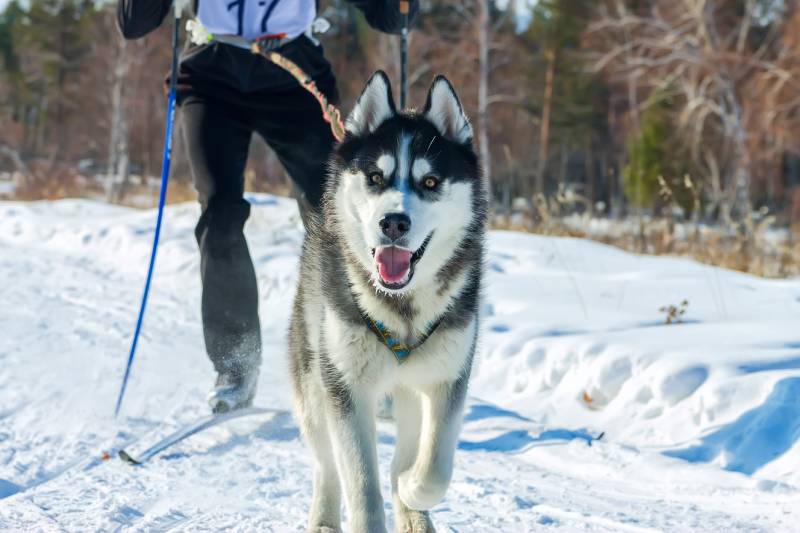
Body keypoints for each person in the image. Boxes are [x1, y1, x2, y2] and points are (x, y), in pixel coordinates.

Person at [117, 0, 416, 413]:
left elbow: (391, 18)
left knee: (332, 216)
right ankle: (235, 364)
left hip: (294, 74)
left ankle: (364, 359)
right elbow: (134, 24)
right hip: (211, 73)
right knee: (219, 217)